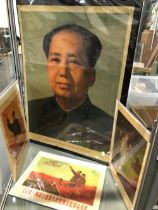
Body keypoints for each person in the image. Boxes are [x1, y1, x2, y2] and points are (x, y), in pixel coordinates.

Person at [29, 24, 113, 152]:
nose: (63, 71)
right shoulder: (30, 111)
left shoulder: (108, 127)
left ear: (91, 76)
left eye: (74, 62)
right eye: (55, 59)